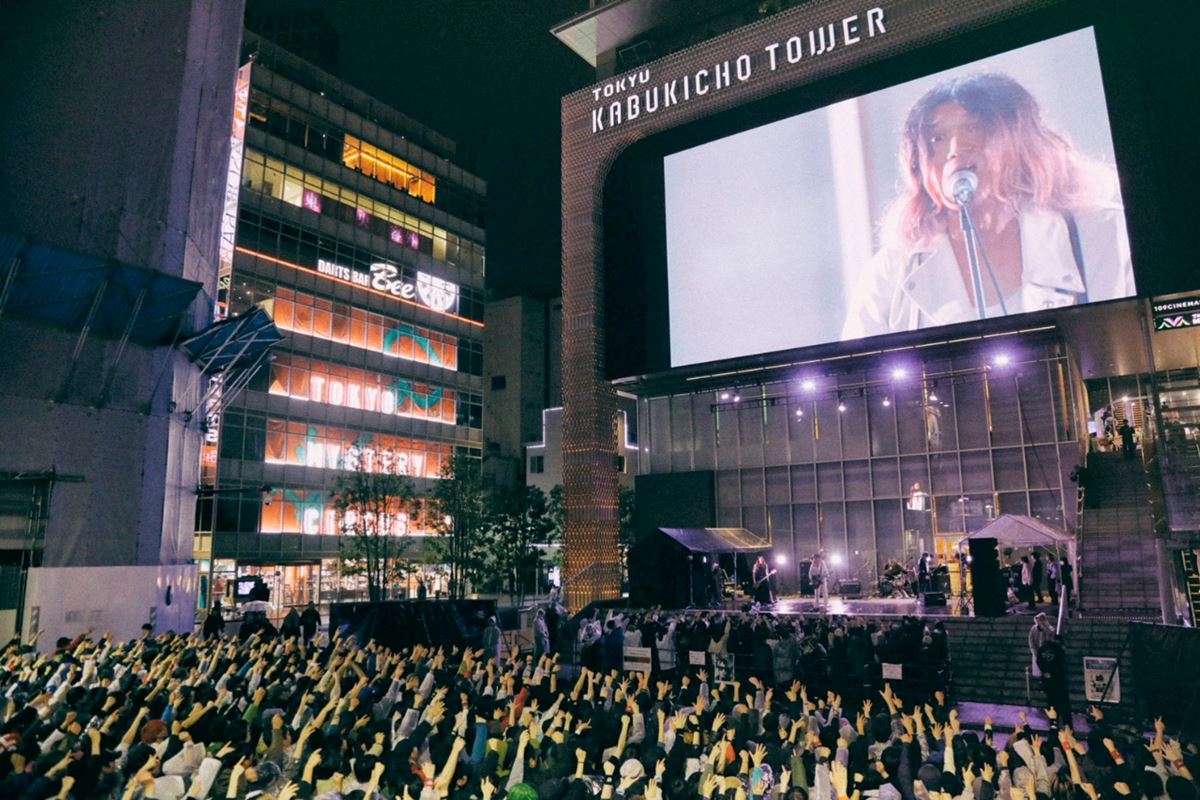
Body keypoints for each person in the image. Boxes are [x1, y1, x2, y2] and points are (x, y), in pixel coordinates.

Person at [843, 72, 1133, 340]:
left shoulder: (1103, 232)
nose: (955, 149)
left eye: (974, 128)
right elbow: (853, 369)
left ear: (1020, 140)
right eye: (938, 138)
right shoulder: (889, 273)